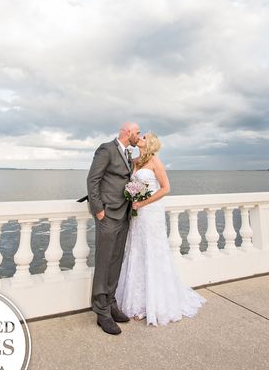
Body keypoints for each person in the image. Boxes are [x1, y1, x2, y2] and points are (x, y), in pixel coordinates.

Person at [116, 133, 206, 326]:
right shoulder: (135, 161)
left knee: (152, 252)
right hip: (137, 214)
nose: (140, 137)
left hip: (150, 213)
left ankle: (154, 304)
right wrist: (132, 198)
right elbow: (131, 183)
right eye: (140, 135)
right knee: (137, 251)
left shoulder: (156, 162)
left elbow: (165, 188)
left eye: (144, 136)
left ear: (150, 143)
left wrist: (142, 203)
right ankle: (138, 302)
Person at [86, 121, 141, 335]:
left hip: (124, 214)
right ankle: (102, 312)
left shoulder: (127, 154)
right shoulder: (106, 149)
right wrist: (99, 210)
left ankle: (111, 302)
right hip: (108, 215)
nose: (139, 136)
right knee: (104, 261)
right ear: (128, 132)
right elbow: (93, 180)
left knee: (116, 260)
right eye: (137, 133)